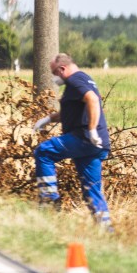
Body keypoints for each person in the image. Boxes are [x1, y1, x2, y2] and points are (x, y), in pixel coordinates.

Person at [31, 53, 112, 228]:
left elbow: (93, 100)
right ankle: (106, 229)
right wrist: (47, 119)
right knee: (92, 190)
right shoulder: (83, 79)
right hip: (96, 145)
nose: (54, 78)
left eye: (54, 73)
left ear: (62, 69)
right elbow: (70, 113)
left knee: (43, 151)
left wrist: (91, 130)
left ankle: (49, 201)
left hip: (83, 138)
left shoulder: (75, 80)